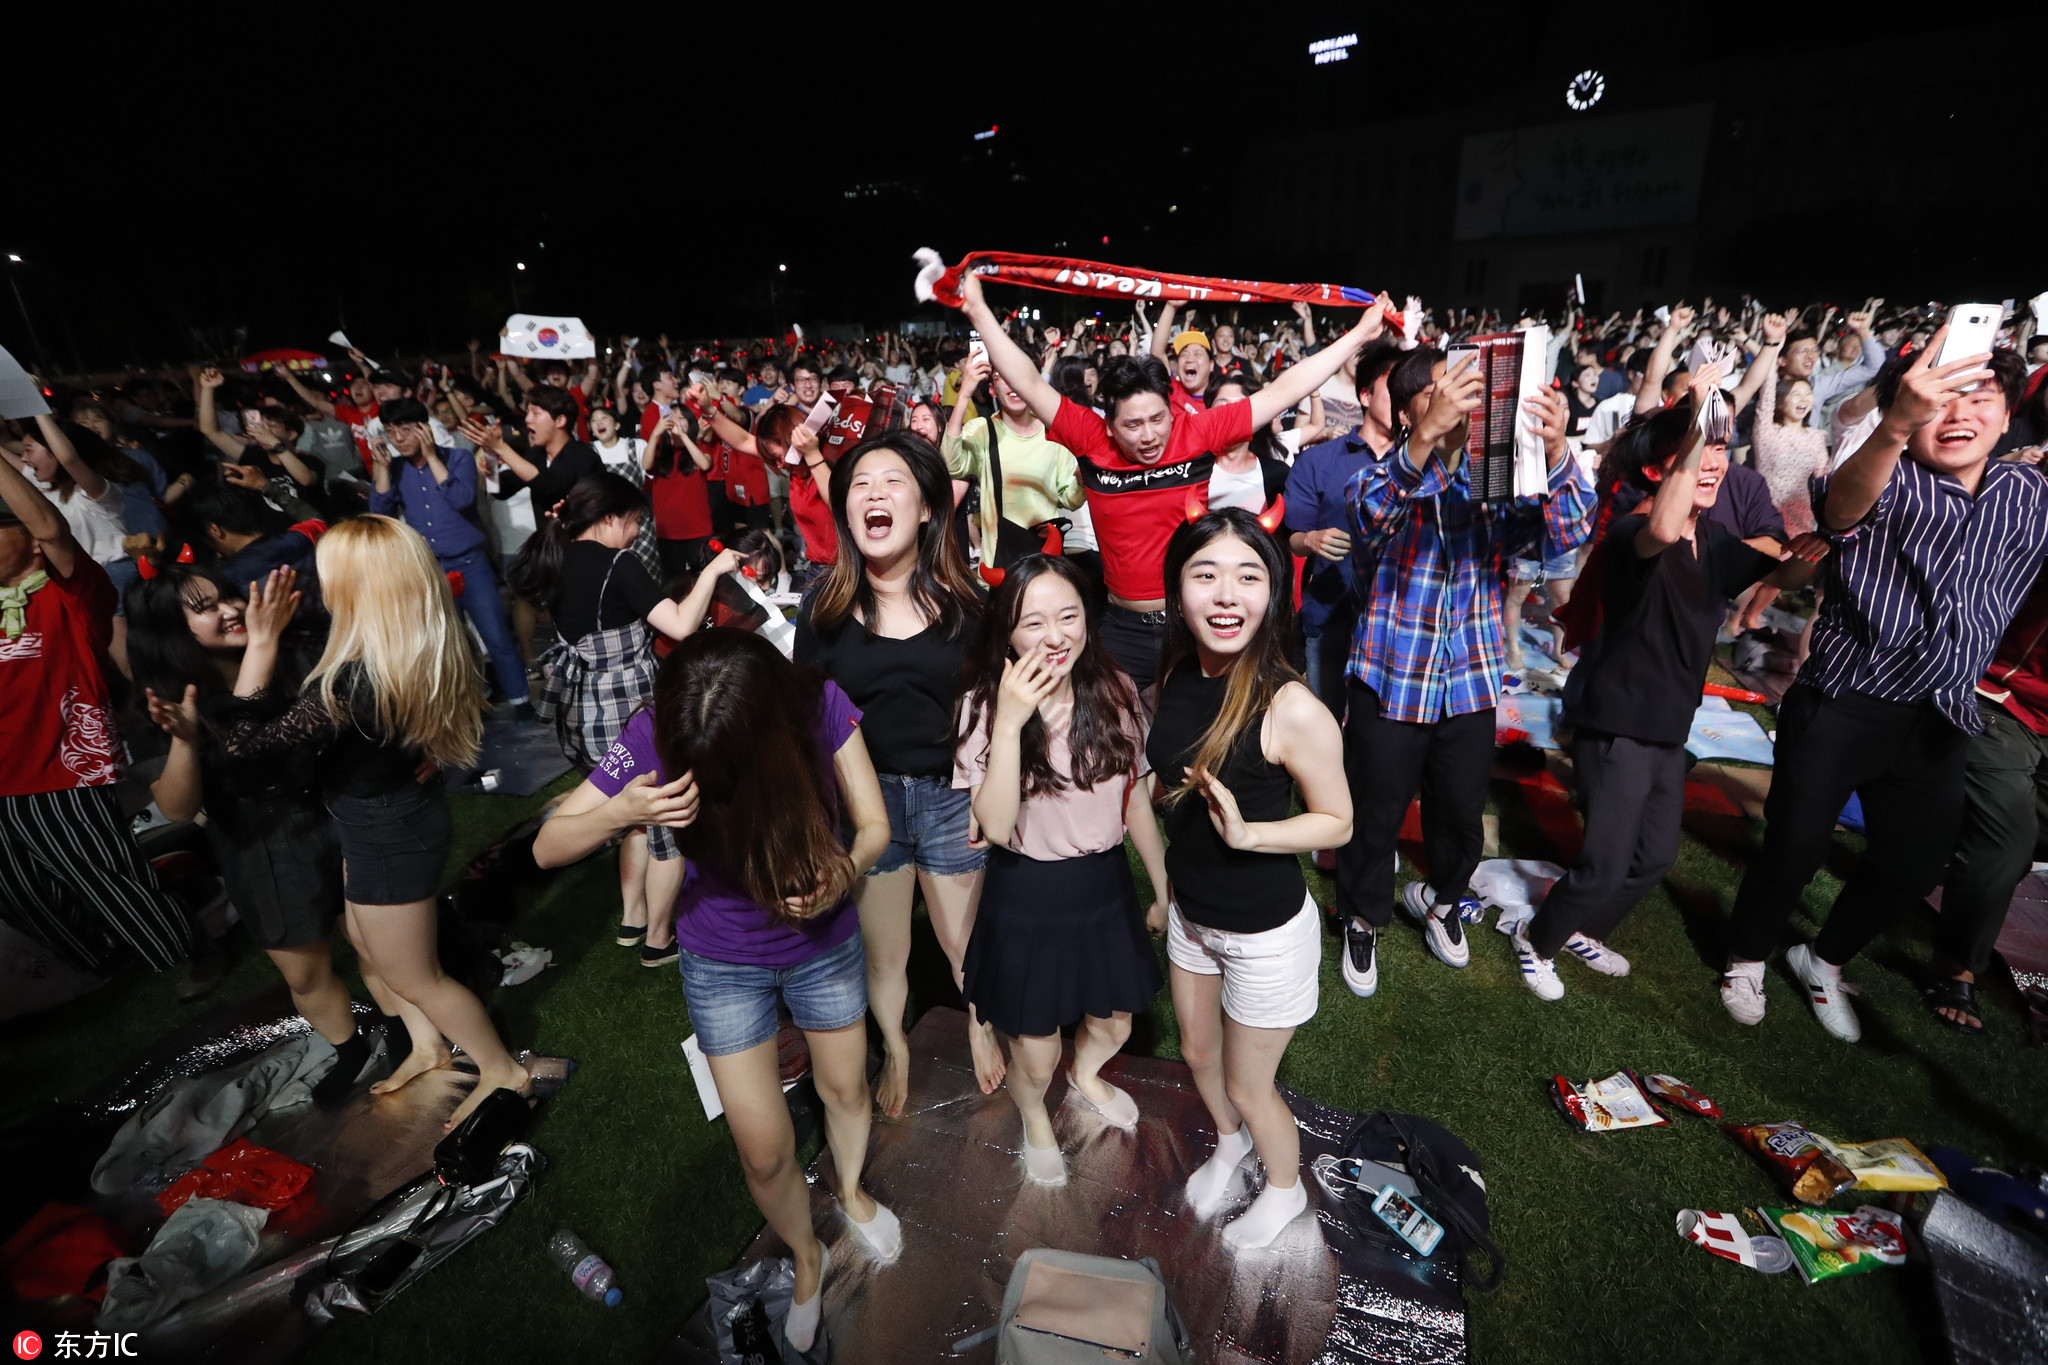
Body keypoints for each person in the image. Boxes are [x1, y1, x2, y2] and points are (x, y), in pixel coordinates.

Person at [534, 628, 897, 1353]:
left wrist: (846, 872)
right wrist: (620, 811)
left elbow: (876, 826)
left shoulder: (816, 704)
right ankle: (804, 1255)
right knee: (762, 1150)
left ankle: (852, 1190)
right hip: (722, 958)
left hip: (822, 942)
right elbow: (547, 844)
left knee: (848, 1090)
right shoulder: (652, 731)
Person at [1719, 337, 2044, 1041]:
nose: (1958, 414)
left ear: (2008, 410)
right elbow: (1838, 513)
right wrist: (1895, 424)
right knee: (1796, 844)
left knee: (1913, 865)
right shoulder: (1885, 470)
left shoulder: (2028, 491)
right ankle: (1745, 954)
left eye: (1979, 397)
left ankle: (1822, 956)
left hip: (1940, 715)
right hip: (1846, 697)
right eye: (1940, 399)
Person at [1511, 385, 1826, 998]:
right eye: (1696, 454)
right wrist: (1695, 429)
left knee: (1653, 859)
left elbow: (1781, 570)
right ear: (1662, 469)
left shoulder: (1712, 542)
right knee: (1603, 862)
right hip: (1619, 723)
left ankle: (1582, 928)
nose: (1714, 464)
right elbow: (1661, 521)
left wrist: (1811, 551)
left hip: (1668, 726)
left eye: (1717, 453)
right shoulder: (1635, 533)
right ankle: (1538, 941)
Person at [218, 517, 529, 1132]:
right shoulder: (404, 646)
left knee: (418, 975)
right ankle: (428, 1047)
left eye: (328, 574)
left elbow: (243, 749)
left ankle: (500, 1069)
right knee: (368, 946)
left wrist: (259, 644)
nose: (319, 584)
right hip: (385, 822)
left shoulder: (349, 683)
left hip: (388, 834)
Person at [953, 272, 1388, 691]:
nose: (1148, 435)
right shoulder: (1089, 436)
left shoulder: (1195, 434)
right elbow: (1027, 380)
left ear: (1171, 408)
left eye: (1158, 419)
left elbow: (1283, 389)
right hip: (1120, 627)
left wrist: (1360, 334)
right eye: (1133, 424)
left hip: (1190, 625)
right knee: (1117, 751)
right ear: (1110, 422)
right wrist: (976, 310)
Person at [1335, 349, 1595, 998]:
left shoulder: (1494, 480)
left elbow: (1569, 528)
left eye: (1462, 388)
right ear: (1406, 411)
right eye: (1437, 390)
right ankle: (1363, 915)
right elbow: (1368, 515)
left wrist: (1557, 449)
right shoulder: (1379, 476)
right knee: (1377, 810)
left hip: (1471, 682)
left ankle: (1443, 899)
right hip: (1392, 679)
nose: (1456, 399)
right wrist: (1425, 440)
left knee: (1458, 812)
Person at [1147, 508, 1351, 1251]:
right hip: (1192, 917)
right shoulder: (1176, 671)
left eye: (1248, 575)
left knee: (1247, 1083)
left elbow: (1339, 821)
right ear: (1177, 590)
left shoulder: (1291, 706)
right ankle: (1229, 1147)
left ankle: (1285, 1189)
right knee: (1198, 1055)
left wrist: (1251, 834)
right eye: (1205, 574)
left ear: (1273, 594)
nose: (1226, 594)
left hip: (1264, 932)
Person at [793, 432, 990, 1116]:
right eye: (860, 484)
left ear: (930, 507)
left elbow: (992, 715)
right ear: (846, 512)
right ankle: (896, 1047)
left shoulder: (970, 607)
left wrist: (985, 794)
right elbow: (807, 730)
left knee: (964, 942)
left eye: (893, 480)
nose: (875, 492)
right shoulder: (819, 613)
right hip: (865, 803)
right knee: (885, 954)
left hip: (948, 797)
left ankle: (980, 1021)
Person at [125, 558, 374, 1100]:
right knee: (305, 970)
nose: (233, 610)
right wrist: (188, 741)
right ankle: (351, 1049)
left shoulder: (288, 652)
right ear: (172, 629)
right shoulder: (168, 696)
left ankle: (405, 1032)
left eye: (229, 596)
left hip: (336, 810)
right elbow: (176, 806)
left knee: (375, 937)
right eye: (205, 608)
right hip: (261, 840)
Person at [955, 555, 1166, 1186]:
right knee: (1036, 1046)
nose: (1055, 635)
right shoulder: (983, 707)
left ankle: (1088, 1075)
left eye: (1069, 615)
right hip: (1028, 892)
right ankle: (1035, 1117)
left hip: (1103, 886)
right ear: (1007, 635)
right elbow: (992, 826)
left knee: (1116, 1019)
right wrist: (1015, 720)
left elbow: (1134, 800)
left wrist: (1161, 886)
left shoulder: (1117, 690)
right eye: (1033, 622)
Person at [509, 473, 739, 965]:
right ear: (609, 518)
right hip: (626, 706)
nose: (637, 533)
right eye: (634, 522)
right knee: (665, 826)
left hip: (580, 709)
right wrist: (713, 572)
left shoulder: (557, 554)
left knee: (628, 817)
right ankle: (659, 939)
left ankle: (633, 917)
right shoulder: (619, 563)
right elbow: (679, 625)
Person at [0, 450, 189, 977]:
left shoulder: (71, 593)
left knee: (102, 874)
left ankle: (180, 955)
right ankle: (98, 967)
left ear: (31, 544)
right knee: (19, 890)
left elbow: (56, 530)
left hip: (59, 770)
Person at [367, 400, 530, 715]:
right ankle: (473, 701)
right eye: (390, 431)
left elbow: (462, 499)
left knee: (495, 633)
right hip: (429, 567)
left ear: (424, 428)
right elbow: (380, 513)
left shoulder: (458, 458)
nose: (398, 438)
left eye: (405, 429)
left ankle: (520, 699)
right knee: (447, 643)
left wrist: (430, 457)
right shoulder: (395, 468)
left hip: (470, 562)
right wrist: (382, 468)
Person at [1285, 344, 1401, 711]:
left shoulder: (1424, 464)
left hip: (1399, 621)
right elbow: (1293, 538)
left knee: (1381, 730)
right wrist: (1311, 539)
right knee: (1325, 719)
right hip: (1331, 613)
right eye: (1393, 389)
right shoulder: (1319, 460)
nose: (1404, 400)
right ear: (1365, 395)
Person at [942, 352, 1083, 564]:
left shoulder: (1052, 432)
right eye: (1002, 377)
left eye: (1018, 377)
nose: (1013, 385)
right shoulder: (982, 431)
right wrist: (963, 395)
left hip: (1045, 561)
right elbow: (951, 464)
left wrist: (1082, 482)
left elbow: (1068, 498)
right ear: (992, 389)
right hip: (998, 566)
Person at [461, 385, 603, 519]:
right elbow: (501, 492)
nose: (527, 419)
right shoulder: (537, 454)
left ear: (560, 421)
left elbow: (550, 485)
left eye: (535, 413)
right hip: (551, 541)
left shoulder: (583, 456)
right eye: (527, 413)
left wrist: (501, 447)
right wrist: (490, 454)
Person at [642, 407, 717, 578]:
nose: (675, 420)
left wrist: (683, 435)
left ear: (690, 424)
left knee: (704, 577)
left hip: (698, 529)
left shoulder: (701, 446)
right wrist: (655, 434)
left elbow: (705, 464)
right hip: (668, 532)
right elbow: (646, 465)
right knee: (672, 582)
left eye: (681, 417)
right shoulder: (659, 450)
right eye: (670, 416)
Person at [1203, 374, 1291, 513]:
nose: (1231, 414)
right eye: (1222, 406)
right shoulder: (1191, 472)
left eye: (1241, 406)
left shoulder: (1278, 474)